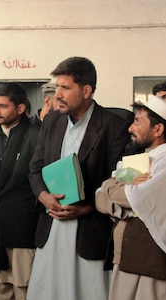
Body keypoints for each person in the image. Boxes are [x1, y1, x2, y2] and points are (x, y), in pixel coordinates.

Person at [27, 56, 130, 300]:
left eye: (65, 88)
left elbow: (119, 183)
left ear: (86, 90)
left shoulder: (114, 126)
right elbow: (35, 169)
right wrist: (43, 196)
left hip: (90, 231)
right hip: (52, 228)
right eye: (56, 87)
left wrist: (84, 209)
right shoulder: (51, 121)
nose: (57, 95)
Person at [96, 95, 166, 300]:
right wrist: (114, 187)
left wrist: (112, 186)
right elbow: (99, 198)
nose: (130, 128)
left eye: (137, 121)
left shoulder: (163, 162)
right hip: (126, 256)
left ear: (158, 129)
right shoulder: (138, 160)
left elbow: (138, 198)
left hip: (152, 261)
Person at [0, 82, 40, 299]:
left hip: (23, 225)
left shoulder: (37, 135)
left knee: (24, 286)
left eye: (3, 106)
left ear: (20, 108)